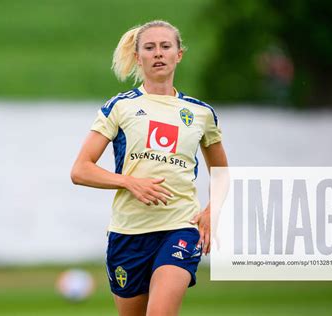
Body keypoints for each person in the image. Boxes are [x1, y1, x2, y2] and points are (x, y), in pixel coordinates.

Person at [71, 20, 228, 316]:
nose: (158, 53)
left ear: (178, 55)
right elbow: (80, 170)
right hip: (128, 233)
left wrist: (211, 210)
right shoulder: (119, 107)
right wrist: (130, 183)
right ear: (138, 55)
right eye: (150, 47)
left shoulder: (201, 113)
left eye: (166, 47)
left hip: (180, 226)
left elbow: (221, 172)